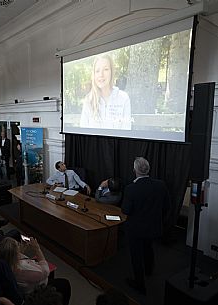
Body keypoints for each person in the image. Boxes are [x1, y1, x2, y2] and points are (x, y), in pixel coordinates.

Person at [121, 157, 170, 295]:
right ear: (148, 169)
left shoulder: (131, 188)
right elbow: (167, 207)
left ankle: (139, 284)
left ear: (134, 170)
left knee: (136, 256)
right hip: (154, 227)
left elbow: (125, 210)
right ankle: (149, 270)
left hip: (136, 230)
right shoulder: (161, 185)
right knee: (148, 248)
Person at [0, 237, 71, 305]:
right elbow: (45, 271)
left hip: (27, 285)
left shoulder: (5, 265)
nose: (20, 244)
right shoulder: (22, 270)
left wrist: (21, 249)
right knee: (64, 283)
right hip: (35, 290)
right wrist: (37, 249)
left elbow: (15, 256)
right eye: (18, 245)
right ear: (15, 254)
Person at [80, 54, 131, 130]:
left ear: (112, 72)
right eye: (97, 71)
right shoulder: (88, 100)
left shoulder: (123, 98)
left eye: (106, 69)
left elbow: (126, 130)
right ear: (94, 74)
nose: (101, 74)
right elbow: (83, 132)